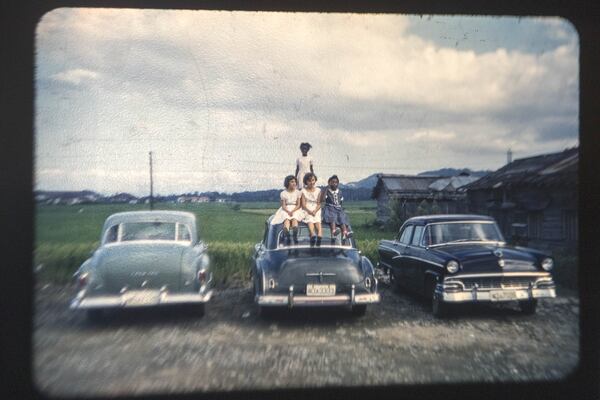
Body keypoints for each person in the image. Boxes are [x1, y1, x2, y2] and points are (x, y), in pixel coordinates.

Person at [271, 175, 304, 245]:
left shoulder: (298, 192)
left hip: (295, 208)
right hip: (286, 208)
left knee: (295, 218)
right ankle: (287, 233)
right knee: (286, 218)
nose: (294, 183)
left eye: (295, 182)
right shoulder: (283, 193)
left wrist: (292, 211)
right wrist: (288, 211)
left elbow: (298, 205)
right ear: (287, 183)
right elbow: (283, 205)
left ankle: (295, 233)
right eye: (292, 182)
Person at [322, 175, 352, 244]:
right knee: (333, 218)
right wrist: (326, 188)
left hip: (338, 208)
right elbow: (323, 199)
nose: (334, 184)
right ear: (329, 183)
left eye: (336, 182)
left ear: (338, 183)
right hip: (330, 208)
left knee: (342, 219)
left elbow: (340, 201)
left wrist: (340, 208)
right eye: (332, 182)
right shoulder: (327, 191)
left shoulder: (340, 192)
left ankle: (345, 233)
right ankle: (334, 232)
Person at [300, 172, 322, 247]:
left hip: (316, 208)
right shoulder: (303, 191)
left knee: (317, 219)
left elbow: (319, 203)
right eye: (309, 181)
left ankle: (319, 234)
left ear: (315, 180)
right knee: (309, 219)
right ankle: (312, 234)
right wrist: (309, 211)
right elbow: (303, 205)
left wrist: (315, 211)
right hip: (307, 208)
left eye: (313, 180)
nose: (311, 182)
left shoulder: (318, 190)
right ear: (306, 182)